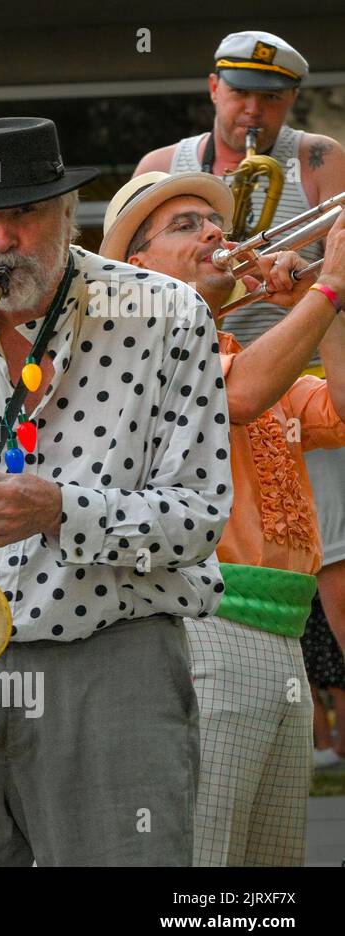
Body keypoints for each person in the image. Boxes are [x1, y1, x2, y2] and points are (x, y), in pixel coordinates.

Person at [0, 117, 232, 866]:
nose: (0, 242)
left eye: (22, 214)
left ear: (69, 213)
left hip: (110, 665)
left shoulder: (168, 316)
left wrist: (60, 509)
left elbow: (199, 517)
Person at [101, 171, 345, 864]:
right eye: (185, 225)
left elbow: (341, 409)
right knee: (204, 858)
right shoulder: (137, 343)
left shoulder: (243, 353)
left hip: (284, 631)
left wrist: (332, 306)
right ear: (135, 266)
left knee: (268, 870)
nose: (214, 232)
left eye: (215, 221)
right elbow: (239, 399)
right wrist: (325, 290)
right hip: (206, 628)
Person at [134, 31, 345, 686]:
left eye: (272, 100)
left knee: (329, 551)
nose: (253, 114)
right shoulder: (161, 166)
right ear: (213, 89)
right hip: (212, 379)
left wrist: (313, 295)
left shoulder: (316, 158)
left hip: (293, 375)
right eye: (242, 96)